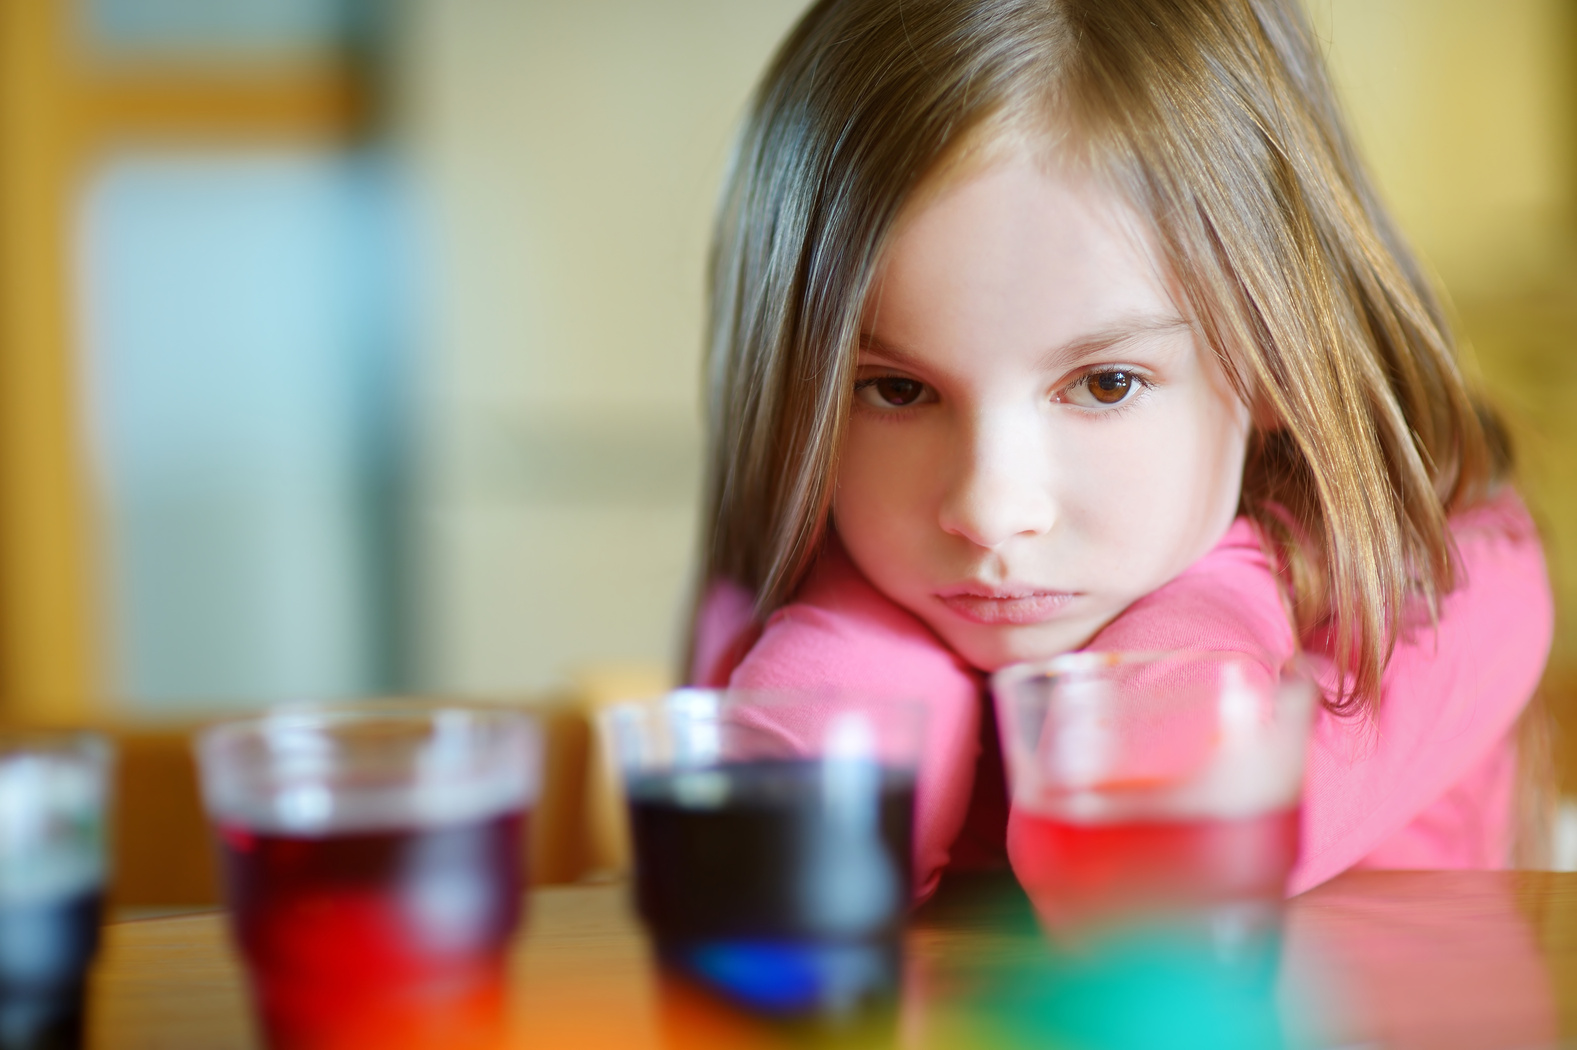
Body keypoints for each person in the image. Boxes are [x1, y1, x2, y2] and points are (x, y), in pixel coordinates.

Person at [688, 0, 1553, 900]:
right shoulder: (790, 578)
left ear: (1270, 356)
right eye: (895, 390)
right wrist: (860, 651)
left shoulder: (1443, 579)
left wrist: (1220, 599)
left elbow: (1155, 865)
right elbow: (758, 899)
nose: (990, 510)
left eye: (1106, 384)